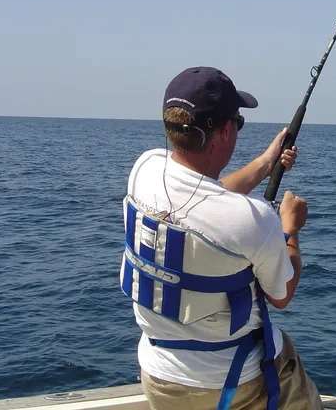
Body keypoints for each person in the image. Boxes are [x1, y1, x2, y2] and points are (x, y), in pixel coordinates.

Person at [120, 66, 322, 410]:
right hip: (232, 384)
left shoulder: (145, 170)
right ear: (226, 130)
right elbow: (282, 295)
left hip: (158, 375)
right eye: (238, 123)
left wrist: (266, 161)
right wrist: (290, 229)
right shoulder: (254, 219)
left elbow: (207, 201)